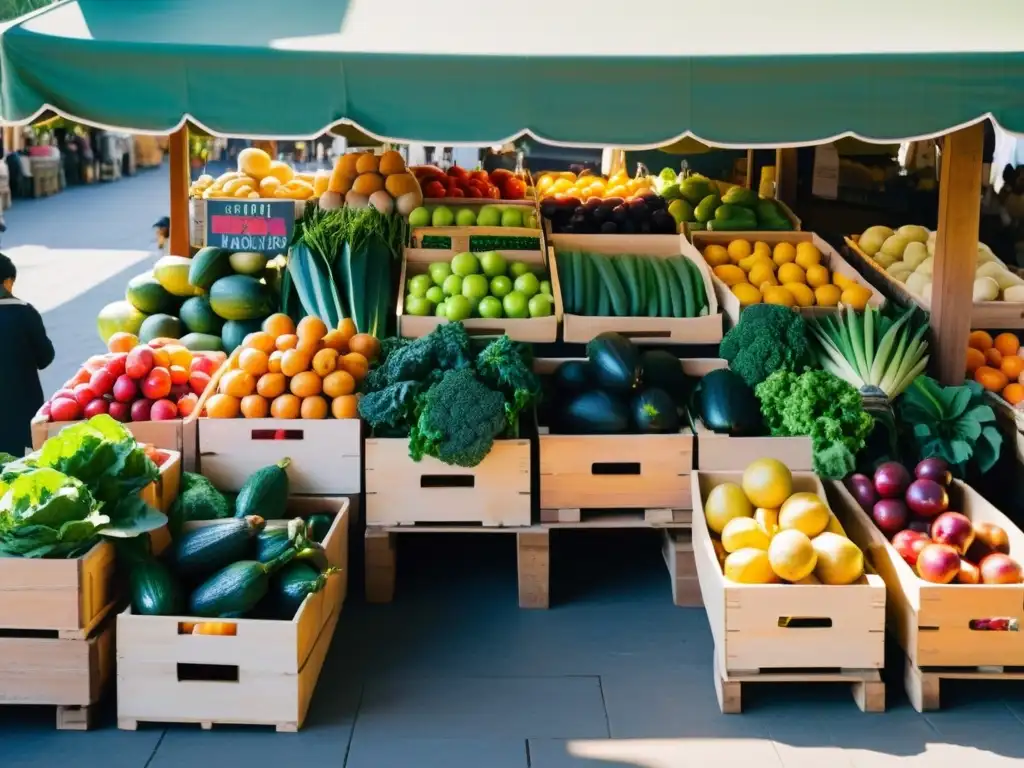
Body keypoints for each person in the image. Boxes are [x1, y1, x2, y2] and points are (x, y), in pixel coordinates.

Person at [0, 253, 54, 456]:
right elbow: (45, 357)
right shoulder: (24, 312)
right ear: (7, 282)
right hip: (21, 407)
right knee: (20, 466)